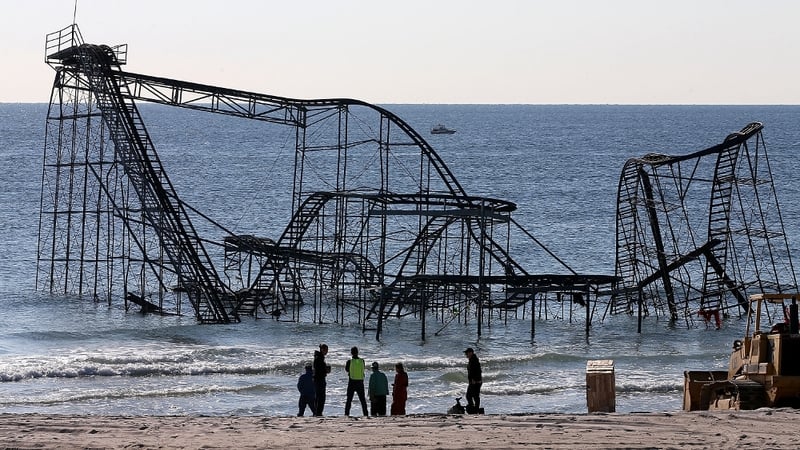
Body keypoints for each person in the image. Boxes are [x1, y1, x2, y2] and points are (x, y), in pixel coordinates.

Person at [344, 346, 368, 416]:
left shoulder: (349, 361)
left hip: (352, 382)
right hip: (360, 382)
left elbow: (347, 370)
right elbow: (363, 369)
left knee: (349, 400)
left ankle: (346, 414)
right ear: (357, 352)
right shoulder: (362, 361)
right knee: (363, 400)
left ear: (351, 353)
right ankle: (366, 414)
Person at [312, 343, 330, 416]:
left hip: (318, 379)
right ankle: (318, 412)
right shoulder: (319, 358)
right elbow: (318, 369)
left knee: (318, 397)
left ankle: (317, 412)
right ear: (322, 349)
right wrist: (326, 370)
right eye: (326, 350)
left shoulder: (319, 357)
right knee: (321, 397)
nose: (327, 352)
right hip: (319, 379)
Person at [464, 347, 482, 413]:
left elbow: (478, 371)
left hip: (475, 381)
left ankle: (475, 409)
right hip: (473, 381)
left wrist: (475, 380)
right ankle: (473, 408)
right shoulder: (472, 359)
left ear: (471, 353)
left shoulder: (474, 360)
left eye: (467, 353)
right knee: (471, 395)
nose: (466, 355)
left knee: (473, 396)